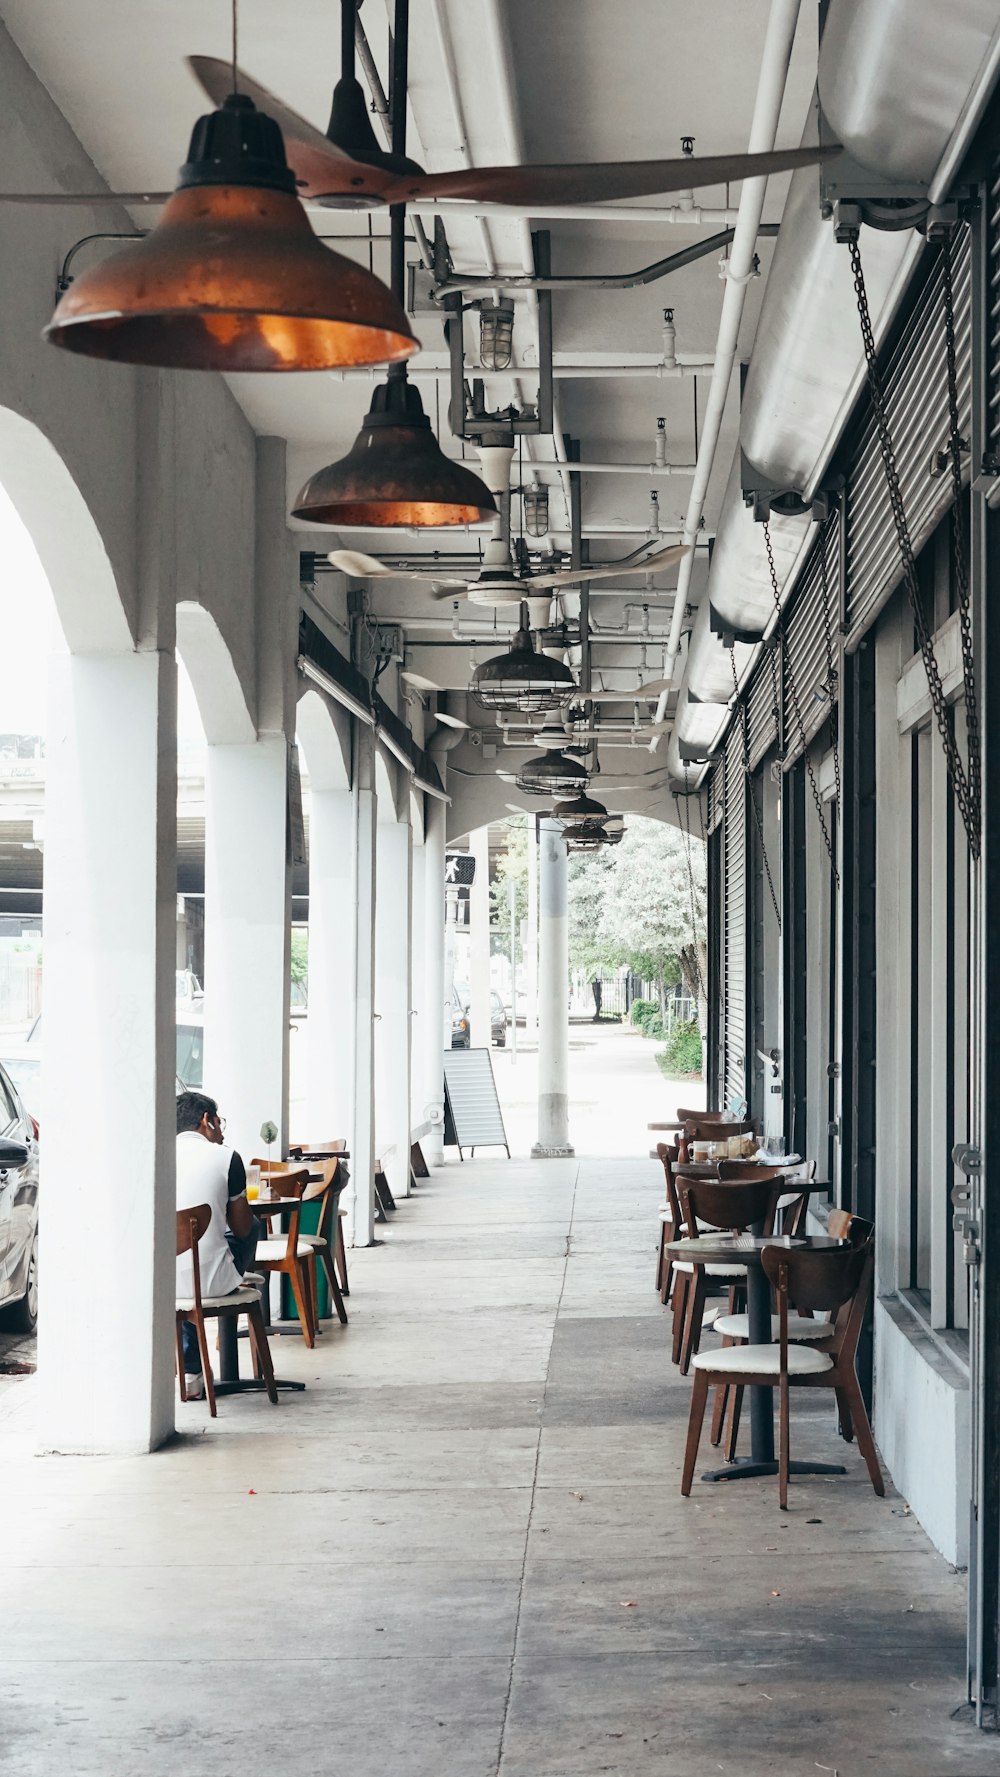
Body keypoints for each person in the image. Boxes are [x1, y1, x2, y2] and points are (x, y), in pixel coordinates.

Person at [175, 1090, 261, 1400]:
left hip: (160, 1283)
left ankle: (190, 1372)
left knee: (186, 1268)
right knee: (253, 1227)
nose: (222, 1132)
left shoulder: (153, 1157)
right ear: (206, 1121)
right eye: (219, 1123)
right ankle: (244, 1283)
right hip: (213, 1283)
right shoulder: (227, 1157)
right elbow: (241, 1228)